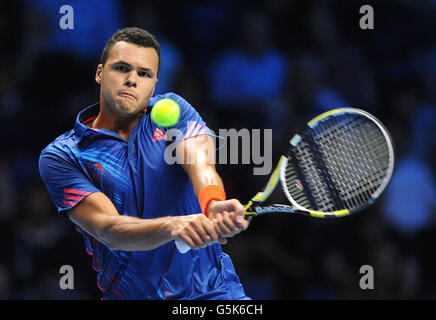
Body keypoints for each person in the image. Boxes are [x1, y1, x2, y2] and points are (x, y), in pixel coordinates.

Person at [39, 27, 250, 300]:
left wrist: (212, 202)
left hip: (215, 292)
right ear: (100, 73)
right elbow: (108, 229)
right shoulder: (64, 155)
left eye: (144, 74)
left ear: (154, 85)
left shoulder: (174, 111)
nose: (131, 80)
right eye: (122, 68)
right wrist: (172, 226)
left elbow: (200, 164)